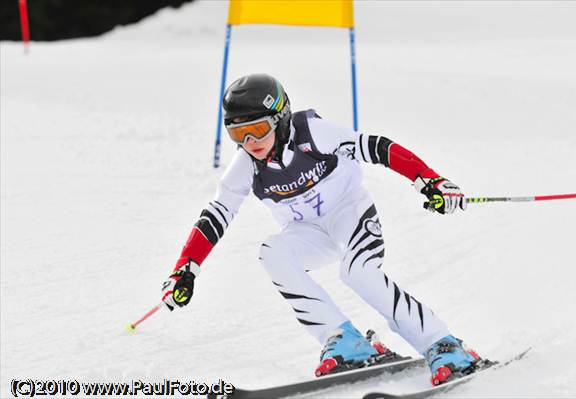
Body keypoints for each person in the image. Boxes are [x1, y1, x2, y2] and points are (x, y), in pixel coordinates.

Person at [160, 73, 482, 385]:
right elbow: (217, 213)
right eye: (238, 134)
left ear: (281, 118)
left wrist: (428, 178)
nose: (250, 142)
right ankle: (344, 340)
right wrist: (185, 267)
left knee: (357, 272)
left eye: (258, 129)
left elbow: (377, 147)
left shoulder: (312, 133)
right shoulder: (246, 164)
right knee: (273, 253)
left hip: (349, 215)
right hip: (307, 232)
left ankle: (443, 344)